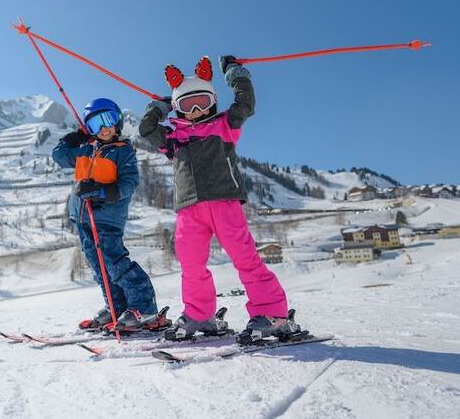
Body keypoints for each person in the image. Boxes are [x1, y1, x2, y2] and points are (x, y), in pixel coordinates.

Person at [139, 55, 296, 343]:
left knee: (244, 259)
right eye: (187, 105)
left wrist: (235, 73)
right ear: (178, 108)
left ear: (212, 100)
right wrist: (159, 108)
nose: (196, 110)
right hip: (189, 209)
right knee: (191, 265)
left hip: (224, 202)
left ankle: (272, 313)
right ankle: (200, 314)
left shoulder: (225, 125)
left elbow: (245, 103)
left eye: (201, 101)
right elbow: (146, 130)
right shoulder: (174, 138)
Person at [53, 98, 168, 332]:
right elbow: (59, 155)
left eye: (109, 120)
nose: (104, 128)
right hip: (83, 219)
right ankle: (116, 307)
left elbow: (128, 184)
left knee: (116, 264)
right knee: (100, 270)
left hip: (106, 219)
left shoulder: (123, 152)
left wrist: (100, 191)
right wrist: (74, 137)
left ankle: (143, 306)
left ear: (118, 122)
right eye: (96, 124)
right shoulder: (84, 150)